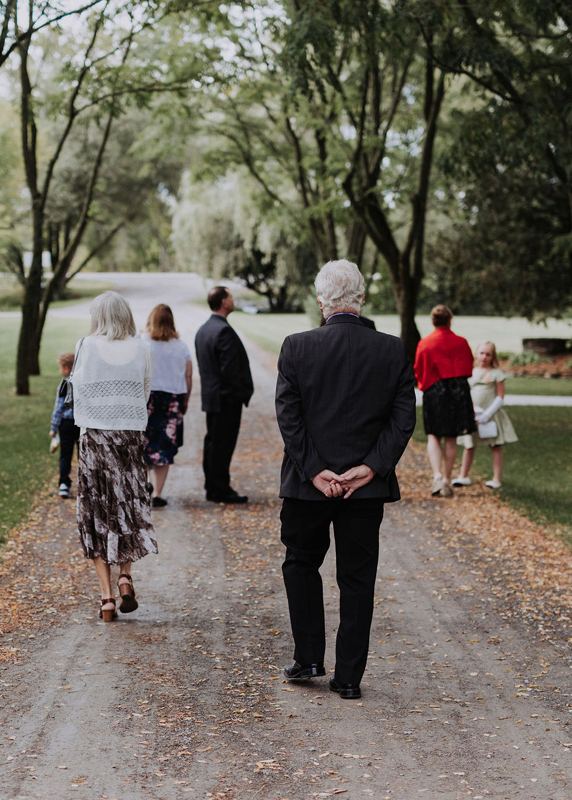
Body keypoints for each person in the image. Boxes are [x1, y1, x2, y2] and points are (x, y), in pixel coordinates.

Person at [275, 259, 415, 700]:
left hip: (307, 486)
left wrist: (315, 471)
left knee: (301, 563)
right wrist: (371, 467)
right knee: (357, 578)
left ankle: (309, 657)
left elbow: (289, 417)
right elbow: (403, 418)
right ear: (360, 301)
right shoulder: (392, 350)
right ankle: (349, 678)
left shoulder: (296, 347)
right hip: (364, 488)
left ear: (322, 303)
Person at [72, 291, 157, 622]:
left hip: (95, 437)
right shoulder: (143, 348)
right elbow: (146, 390)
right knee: (127, 506)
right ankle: (125, 576)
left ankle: (106, 598)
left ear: (98, 317)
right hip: (130, 437)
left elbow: (76, 389)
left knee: (97, 512)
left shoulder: (86, 346)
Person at [195, 286, 254, 504]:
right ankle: (220, 488)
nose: (233, 299)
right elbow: (230, 369)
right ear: (223, 302)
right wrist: (238, 394)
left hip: (212, 396)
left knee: (213, 442)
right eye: (230, 296)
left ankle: (212, 486)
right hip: (226, 398)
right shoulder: (223, 331)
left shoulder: (203, 329)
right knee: (222, 445)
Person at [413, 305, 475, 497]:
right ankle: (448, 479)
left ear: (433, 321)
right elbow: (468, 367)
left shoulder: (425, 343)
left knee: (434, 435)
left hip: (435, 391)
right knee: (451, 437)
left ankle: (437, 476)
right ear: (450, 320)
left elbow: (419, 370)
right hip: (457, 391)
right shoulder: (461, 342)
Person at [143, 304, 193, 508]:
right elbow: (188, 375)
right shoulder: (180, 346)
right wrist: (186, 400)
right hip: (172, 400)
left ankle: (143, 488)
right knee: (164, 448)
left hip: (148, 399)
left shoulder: (143, 343)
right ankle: (157, 494)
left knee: (143, 446)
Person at [451, 341, 518, 489]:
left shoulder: (496, 373)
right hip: (472, 415)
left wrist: (487, 414)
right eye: (482, 353)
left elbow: (500, 396)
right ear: (476, 353)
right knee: (469, 444)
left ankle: (496, 478)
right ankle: (463, 476)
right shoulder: (471, 371)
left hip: (490, 415)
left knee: (495, 446)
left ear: (492, 356)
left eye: (488, 354)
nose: (484, 357)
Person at [49, 351, 80, 499]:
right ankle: (86, 483)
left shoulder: (64, 385)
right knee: (83, 455)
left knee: (65, 455)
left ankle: (64, 484)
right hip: (81, 424)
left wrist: (53, 428)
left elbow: (58, 408)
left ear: (67, 368)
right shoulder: (82, 385)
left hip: (66, 425)